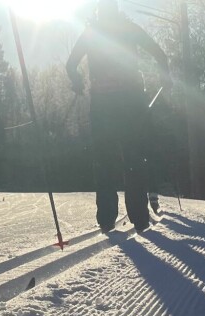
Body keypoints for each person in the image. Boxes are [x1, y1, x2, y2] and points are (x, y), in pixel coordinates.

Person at [65, 0, 171, 232]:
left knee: (103, 161)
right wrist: (166, 77)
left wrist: (78, 82)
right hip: (131, 103)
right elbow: (160, 55)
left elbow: (70, 64)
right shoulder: (129, 28)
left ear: (97, 11)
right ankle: (139, 218)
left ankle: (106, 219)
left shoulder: (90, 33)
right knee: (134, 158)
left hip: (102, 104)